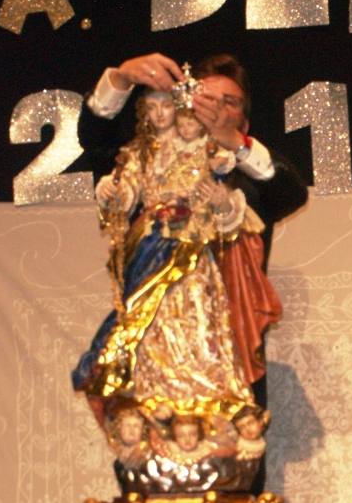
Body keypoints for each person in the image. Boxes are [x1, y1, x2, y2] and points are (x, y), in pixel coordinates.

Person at [74, 53, 307, 414]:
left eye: (228, 102)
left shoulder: (248, 179)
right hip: (156, 357)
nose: (212, 108)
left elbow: (290, 190)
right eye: (202, 96)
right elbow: (96, 139)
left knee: (235, 461)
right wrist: (120, 78)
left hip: (229, 363)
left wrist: (232, 142)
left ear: (243, 120)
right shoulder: (151, 164)